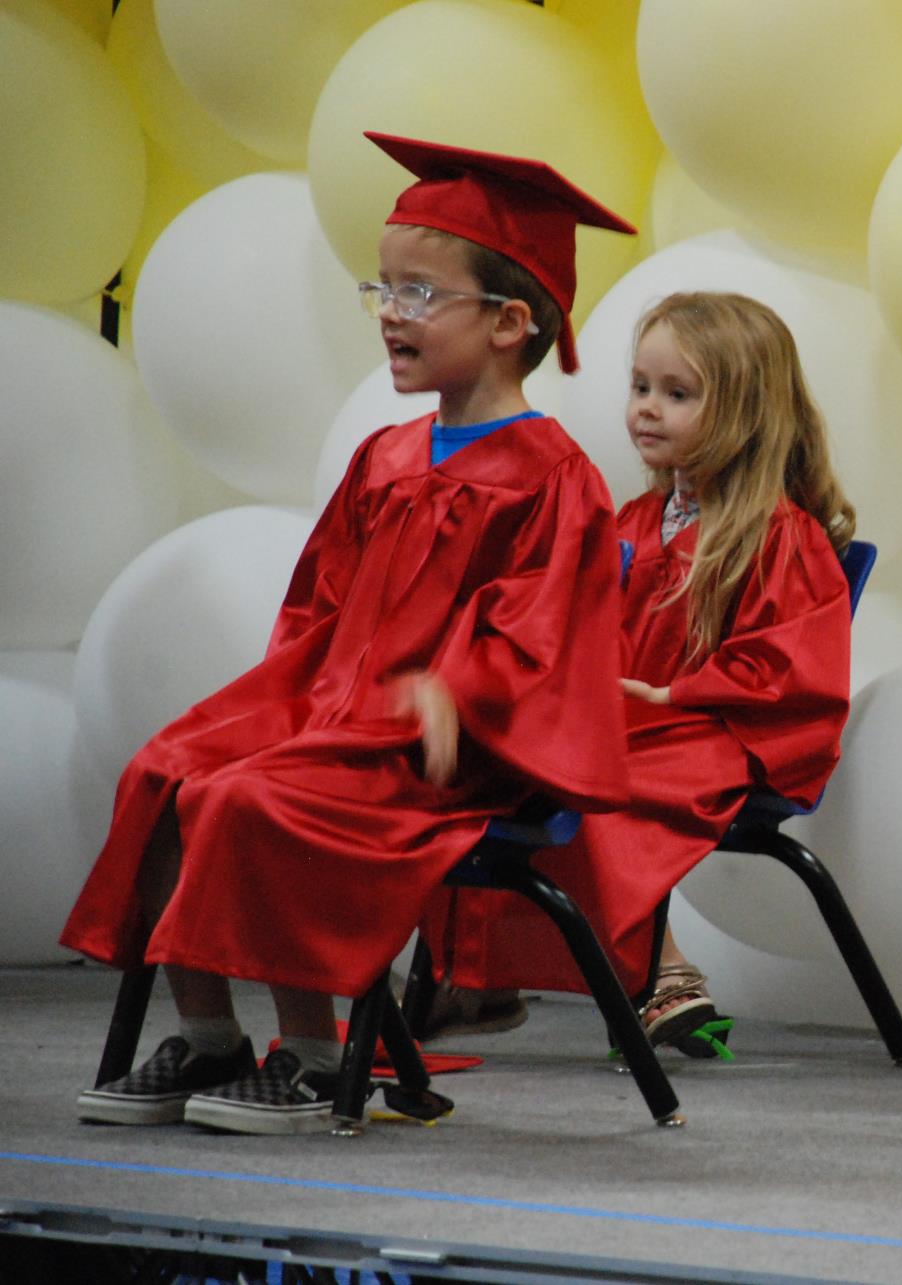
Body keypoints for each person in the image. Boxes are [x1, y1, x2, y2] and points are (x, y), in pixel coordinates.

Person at [66, 133, 637, 1135]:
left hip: (458, 750)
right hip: (341, 711)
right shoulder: (385, 457)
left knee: (256, 794)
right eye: (382, 292)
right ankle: (209, 1037)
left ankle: (316, 1056)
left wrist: (453, 692)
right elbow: (318, 612)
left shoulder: (555, 478)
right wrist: (292, 697)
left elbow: (547, 636)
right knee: (170, 767)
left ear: (509, 322)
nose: (391, 316)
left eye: (419, 294)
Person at [424, 291, 856, 1052]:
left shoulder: (779, 536)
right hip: (632, 723)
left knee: (584, 776)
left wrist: (675, 691)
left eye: (677, 394)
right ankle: (473, 974)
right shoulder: (629, 523)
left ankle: (659, 969)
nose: (647, 409)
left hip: (722, 736)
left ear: (746, 411)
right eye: (640, 386)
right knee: (486, 751)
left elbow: (789, 669)